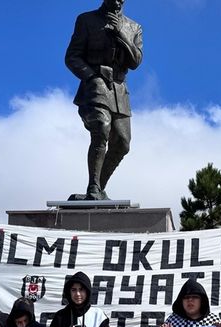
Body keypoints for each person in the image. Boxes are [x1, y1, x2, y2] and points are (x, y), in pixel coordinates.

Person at [66, 0, 143, 200]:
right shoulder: (86, 20)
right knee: (101, 128)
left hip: (120, 89)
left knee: (122, 144)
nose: (117, 2)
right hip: (96, 82)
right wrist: (92, 76)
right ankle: (93, 187)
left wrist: (120, 33)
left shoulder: (133, 27)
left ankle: (98, 187)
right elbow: (72, 57)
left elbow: (135, 61)